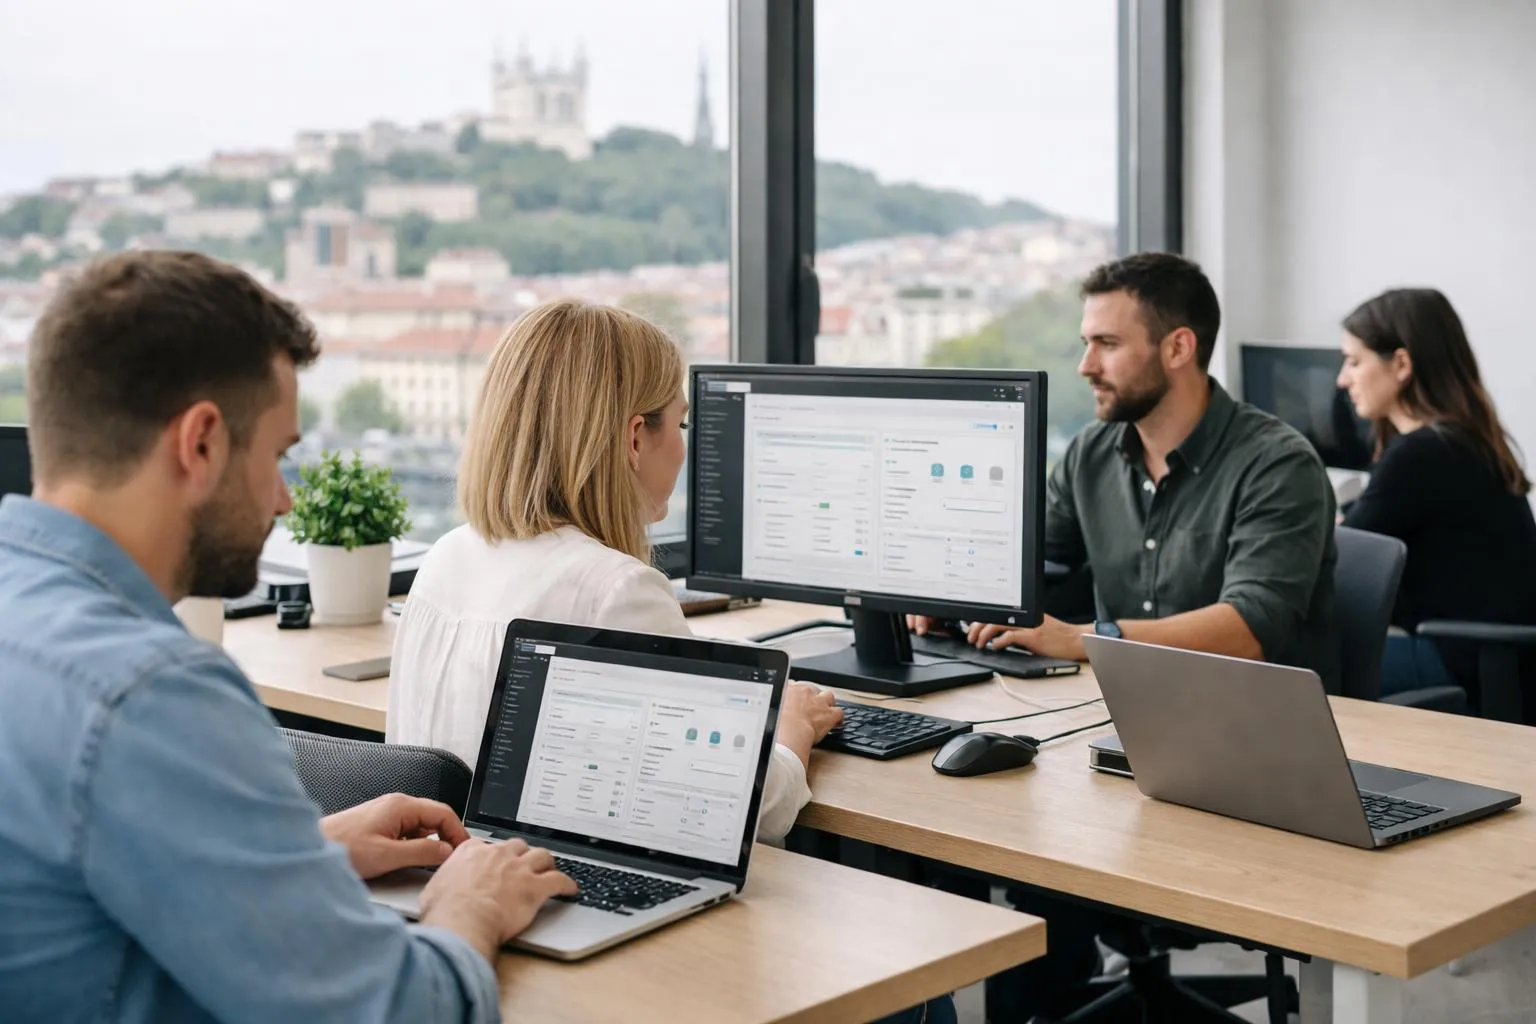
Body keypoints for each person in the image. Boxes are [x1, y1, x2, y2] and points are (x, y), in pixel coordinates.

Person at [0, 251, 577, 1023]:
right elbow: (401, 1011)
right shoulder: (152, 693)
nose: (282, 497)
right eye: (276, 455)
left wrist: (302, 854)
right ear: (200, 442)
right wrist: (471, 902)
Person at [913, 251, 1340, 1022]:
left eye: (1106, 344)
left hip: (1249, 754)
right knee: (949, 829)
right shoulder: (1092, 455)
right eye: (1086, 343)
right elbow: (1034, 564)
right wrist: (954, 597)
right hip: (1115, 739)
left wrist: (1086, 639)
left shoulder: (1277, 463)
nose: (1085, 365)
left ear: (1177, 347)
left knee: (1022, 834)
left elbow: (1250, 628)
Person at [388, 299, 844, 842]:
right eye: (680, 423)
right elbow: (754, 812)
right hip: (557, 890)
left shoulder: (446, 556)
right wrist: (792, 730)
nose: (683, 448)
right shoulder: (617, 591)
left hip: (442, 881)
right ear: (633, 439)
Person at [1337, 287, 1536, 697]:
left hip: (1460, 659)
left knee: (1291, 660)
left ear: (1402, 364)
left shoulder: (1421, 453)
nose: (1343, 379)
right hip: (1495, 657)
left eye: (1355, 362)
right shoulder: (1460, 440)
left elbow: (1343, 566)